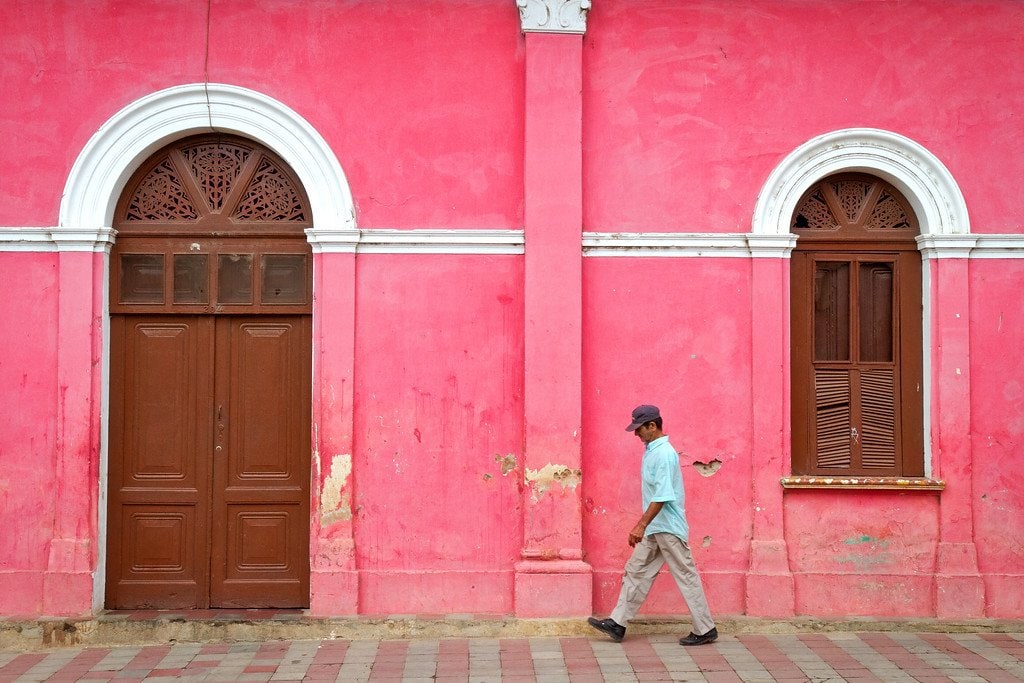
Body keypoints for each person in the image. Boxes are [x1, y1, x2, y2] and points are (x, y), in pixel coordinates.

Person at [587, 404, 718, 646]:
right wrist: (646, 526)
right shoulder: (652, 450)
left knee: (686, 576)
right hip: (656, 527)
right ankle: (618, 623)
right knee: (636, 571)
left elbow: (663, 495)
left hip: (667, 527)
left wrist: (640, 525)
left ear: (653, 426)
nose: (636, 434)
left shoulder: (664, 453)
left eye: (639, 429)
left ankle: (705, 628)